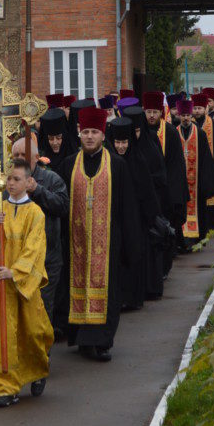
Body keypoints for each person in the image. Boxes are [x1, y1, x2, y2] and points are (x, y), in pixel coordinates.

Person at [59, 106, 140, 361]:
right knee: (76, 287)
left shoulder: (117, 165)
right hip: (76, 243)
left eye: (94, 132)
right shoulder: (68, 165)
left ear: (103, 135)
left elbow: (128, 208)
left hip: (108, 244)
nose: (90, 136)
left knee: (108, 292)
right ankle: (81, 339)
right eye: (85, 132)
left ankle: (102, 342)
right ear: (79, 133)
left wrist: (130, 245)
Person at [0, 160, 53, 407]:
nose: (10, 183)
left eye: (16, 179)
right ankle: (3, 387)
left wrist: (15, 272)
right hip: (0, 283)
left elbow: (35, 248)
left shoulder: (36, 213)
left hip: (23, 282)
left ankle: (38, 370)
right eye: (8, 178)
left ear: (29, 182)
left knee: (33, 330)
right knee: (2, 332)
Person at [11, 134, 69, 330]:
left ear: (36, 157)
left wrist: (37, 190)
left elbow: (63, 207)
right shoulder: (8, 181)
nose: (20, 158)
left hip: (47, 258)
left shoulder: (51, 179)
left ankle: (41, 347)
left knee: (42, 309)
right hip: (17, 258)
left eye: (24, 154)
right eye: (16, 155)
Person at [106, 114, 162, 307]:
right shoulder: (108, 163)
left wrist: (149, 217)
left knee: (135, 256)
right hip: (114, 220)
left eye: (124, 142)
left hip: (136, 221)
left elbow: (148, 194)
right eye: (117, 142)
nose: (121, 147)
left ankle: (133, 298)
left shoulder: (138, 161)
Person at [141, 91, 189, 270]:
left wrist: (174, 193)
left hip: (166, 190)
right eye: (148, 112)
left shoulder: (170, 132)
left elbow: (177, 166)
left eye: (155, 112)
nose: (152, 116)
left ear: (161, 112)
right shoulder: (141, 132)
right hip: (148, 189)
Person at [176, 99, 214, 249]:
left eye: (188, 115)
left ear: (191, 116)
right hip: (180, 182)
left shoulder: (200, 134)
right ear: (179, 116)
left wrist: (205, 180)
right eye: (183, 115)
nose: (186, 118)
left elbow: (206, 159)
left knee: (199, 210)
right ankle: (183, 240)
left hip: (196, 181)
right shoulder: (174, 133)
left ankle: (197, 239)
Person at [191, 92, 214, 229]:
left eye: (200, 108)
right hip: (193, 170)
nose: (197, 111)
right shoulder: (189, 126)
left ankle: (213, 224)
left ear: (205, 108)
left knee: (213, 198)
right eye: (195, 108)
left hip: (212, 170)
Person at [38, 106, 75, 172]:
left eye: (58, 138)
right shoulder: (39, 160)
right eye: (51, 139)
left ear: (64, 137)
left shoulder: (74, 158)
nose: (55, 143)